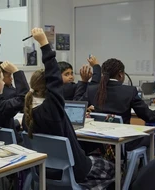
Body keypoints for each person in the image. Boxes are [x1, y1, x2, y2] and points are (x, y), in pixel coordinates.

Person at [23, 28, 114, 189]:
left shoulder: (28, 113)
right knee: (112, 168)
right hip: (74, 171)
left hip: (43, 171)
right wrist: (44, 43)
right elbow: (53, 76)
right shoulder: (52, 109)